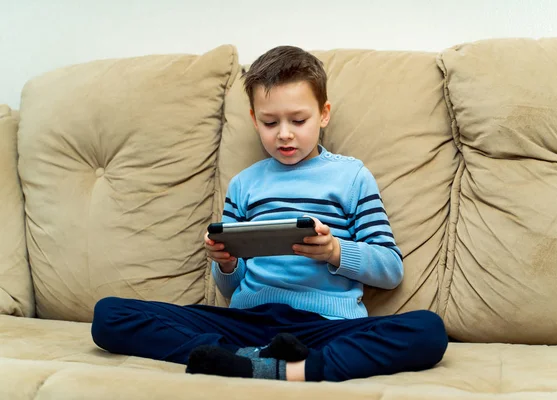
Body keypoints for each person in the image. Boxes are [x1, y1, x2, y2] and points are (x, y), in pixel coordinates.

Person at [91, 45, 448, 382]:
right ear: (253, 119)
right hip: (247, 319)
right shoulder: (245, 185)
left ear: (324, 114)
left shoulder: (352, 177)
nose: (285, 135)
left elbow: (390, 268)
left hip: (324, 325)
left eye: (298, 119)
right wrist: (226, 263)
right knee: (109, 315)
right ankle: (247, 357)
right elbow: (229, 288)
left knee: (427, 330)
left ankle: (263, 367)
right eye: (270, 122)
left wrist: (335, 251)